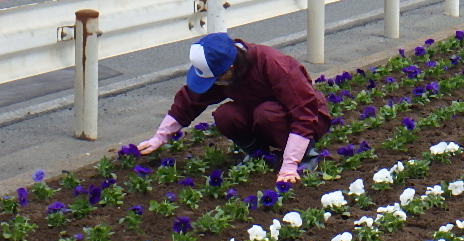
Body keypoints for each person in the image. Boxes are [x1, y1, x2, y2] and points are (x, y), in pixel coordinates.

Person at [137, 32, 331, 185]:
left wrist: (290, 165)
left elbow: (304, 111)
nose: (216, 84)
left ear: (230, 68)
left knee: (266, 114)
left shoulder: (272, 64)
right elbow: (190, 100)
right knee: (225, 115)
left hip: (308, 119)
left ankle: (305, 156)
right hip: (260, 115)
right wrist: (159, 137)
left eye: (217, 79)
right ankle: (260, 154)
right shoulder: (225, 72)